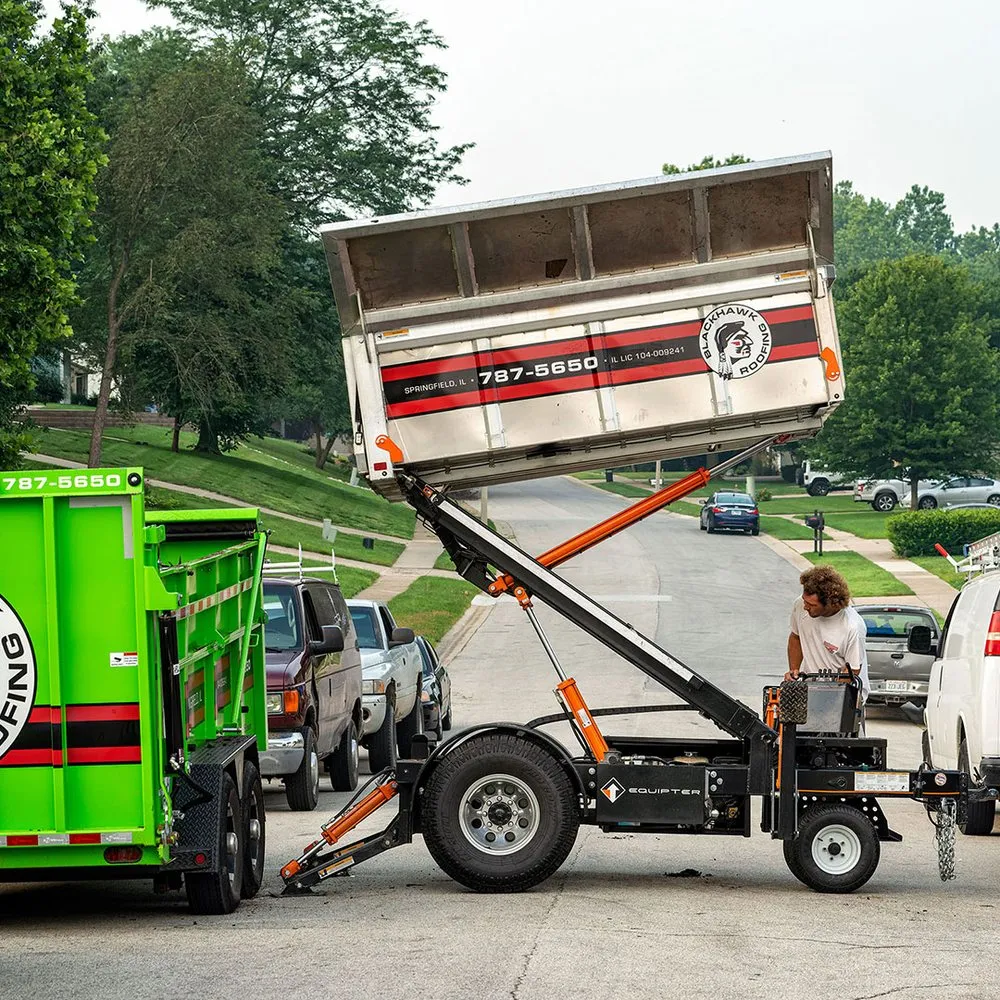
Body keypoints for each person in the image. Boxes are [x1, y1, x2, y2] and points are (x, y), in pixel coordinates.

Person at [784, 565, 870, 709]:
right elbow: (796, 637)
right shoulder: (800, 604)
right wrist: (794, 671)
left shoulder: (852, 627)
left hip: (845, 694)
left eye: (811, 604)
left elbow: (852, 672)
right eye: (805, 601)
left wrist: (827, 698)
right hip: (810, 687)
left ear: (832, 602)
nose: (805, 607)